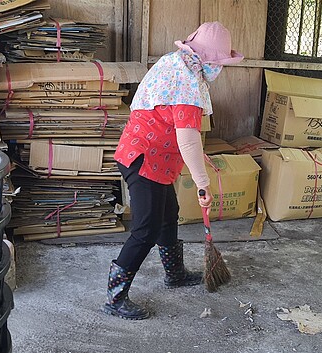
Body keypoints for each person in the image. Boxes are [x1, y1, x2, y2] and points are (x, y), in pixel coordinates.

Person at [103, 21, 244, 320]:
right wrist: (202, 183)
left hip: (157, 158)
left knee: (168, 214)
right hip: (143, 158)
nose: (220, 68)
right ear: (208, 60)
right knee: (145, 228)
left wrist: (199, 157)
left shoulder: (176, 62)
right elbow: (187, 138)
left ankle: (174, 274)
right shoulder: (189, 83)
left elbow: (168, 120)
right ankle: (115, 298)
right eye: (219, 62)